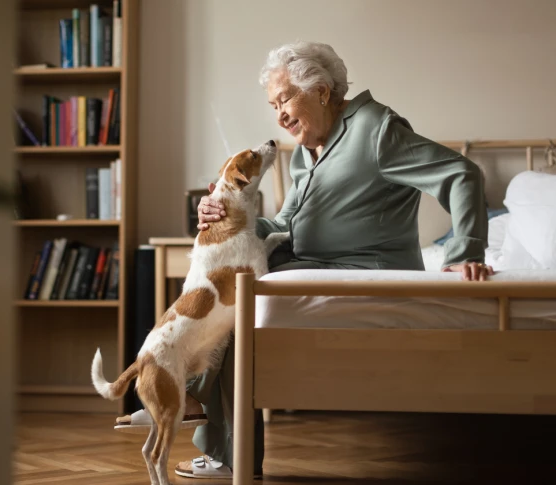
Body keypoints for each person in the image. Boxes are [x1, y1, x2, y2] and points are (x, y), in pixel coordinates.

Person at [121, 41, 493, 480]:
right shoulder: (305, 151)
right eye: (273, 105)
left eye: (284, 100)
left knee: (246, 293)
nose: (278, 114)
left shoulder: (377, 129)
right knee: (222, 280)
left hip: (364, 270)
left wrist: (465, 250)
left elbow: (461, 173)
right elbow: (283, 221)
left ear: (320, 91)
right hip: (309, 263)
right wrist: (222, 215)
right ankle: (190, 402)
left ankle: (204, 420)